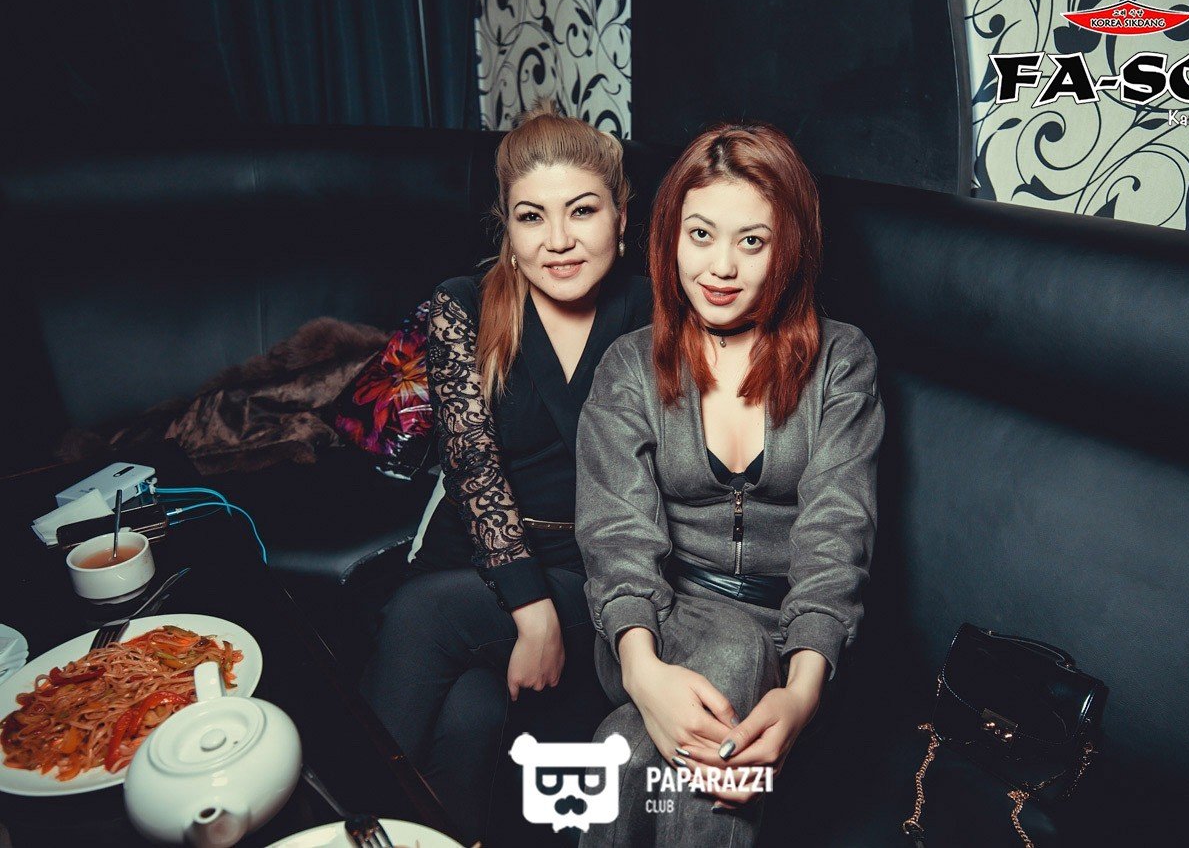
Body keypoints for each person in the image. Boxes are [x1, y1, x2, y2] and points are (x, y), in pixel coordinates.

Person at [575, 122, 884, 847]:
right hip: (650, 625)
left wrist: (801, 693)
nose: (720, 266)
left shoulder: (842, 362)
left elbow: (837, 534)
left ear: (791, 246)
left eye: (752, 241)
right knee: (730, 651)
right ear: (670, 237)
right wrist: (642, 672)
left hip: (793, 641)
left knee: (624, 748)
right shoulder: (628, 367)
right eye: (701, 234)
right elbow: (618, 538)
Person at [358, 99, 651, 845]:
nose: (558, 240)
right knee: (469, 712)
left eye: (582, 211)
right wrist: (531, 609)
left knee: (423, 617)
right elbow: (472, 467)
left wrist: (553, 609)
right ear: (508, 232)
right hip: (481, 550)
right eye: (531, 217)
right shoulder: (462, 304)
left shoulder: (655, 312)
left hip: (596, 567)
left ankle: (345, 827)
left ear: (621, 218)